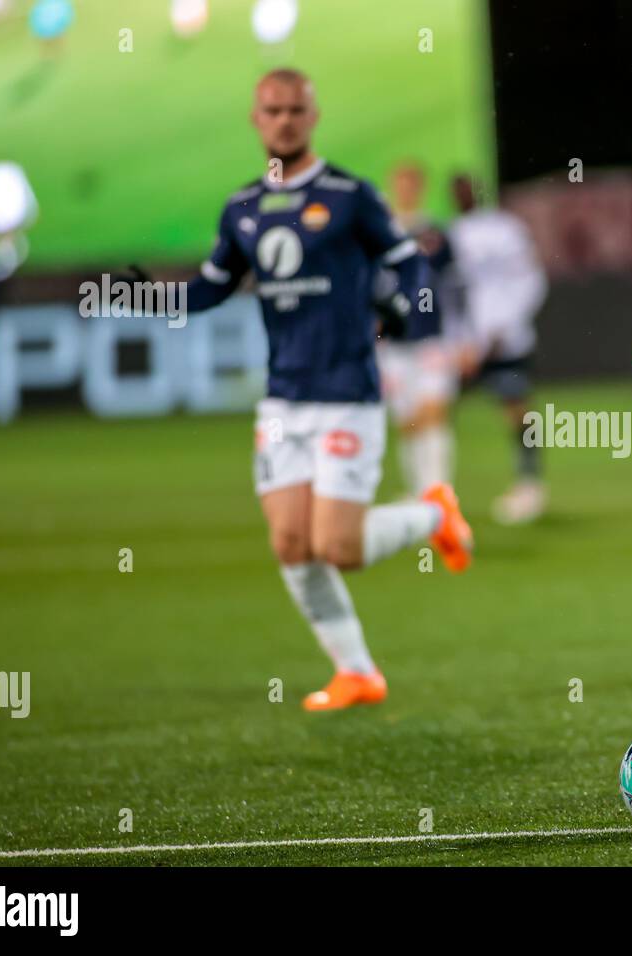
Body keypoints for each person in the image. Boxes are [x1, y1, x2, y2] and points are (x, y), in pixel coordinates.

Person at [183, 68, 474, 710]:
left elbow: (407, 260)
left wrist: (403, 304)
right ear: (256, 120)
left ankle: (435, 512)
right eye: (272, 110)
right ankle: (357, 672)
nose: (284, 119)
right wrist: (151, 296)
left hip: (347, 393)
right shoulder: (241, 208)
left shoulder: (349, 195)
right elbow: (212, 284)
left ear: (312, 117)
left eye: (295, 109)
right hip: (284, 399)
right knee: (291, 543)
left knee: (336, 549)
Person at [446, 173, 549, 524]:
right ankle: (432, 489)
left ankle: (529, 485)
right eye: (455, 191)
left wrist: (504, 328)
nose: (461, 196)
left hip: (506, 340)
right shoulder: (450, 235)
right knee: (433, 409)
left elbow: (531, 279)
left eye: (466, 189)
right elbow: (451, 296)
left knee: (518, 411)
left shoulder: (506, 229)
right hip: (464, 346)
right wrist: (460, 340)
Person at [375, 161, 459, 495]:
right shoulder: (380, 235)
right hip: (392, 344)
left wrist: (464, 337)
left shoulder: (435, 235)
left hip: (432, 341)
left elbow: (455, 288)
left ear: (420, 188)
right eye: (401, 183)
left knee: (433, 413)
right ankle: (418, 493)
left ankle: (439, 492)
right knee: (408, 422)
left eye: (412, 183)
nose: (406, 190)